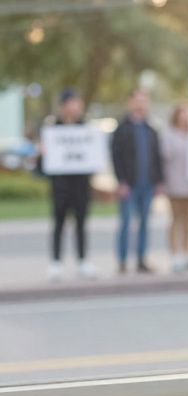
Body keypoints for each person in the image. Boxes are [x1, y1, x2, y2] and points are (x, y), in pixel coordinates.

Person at [37, 88, 97, 281]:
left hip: (80, 185)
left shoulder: (86, 127)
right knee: (58, 224)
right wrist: (42, 153)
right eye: (72, 103)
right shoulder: (52, 128)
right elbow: (41, 167)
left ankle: (82, 261)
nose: (75, 107)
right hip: (60, 186)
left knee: (81, 224)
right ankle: (55, 263)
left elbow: (94, 158)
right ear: (64, 106)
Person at [110, 88, 164, 274]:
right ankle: (123, 261)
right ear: (131, 102)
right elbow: (115, 157)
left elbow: (157, 157)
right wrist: (121, 181)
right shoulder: (122, 128)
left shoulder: (151, 129)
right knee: (126, 222)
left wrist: (159, 181)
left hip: (147, 184)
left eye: (144, 100)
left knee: (145, 223)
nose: (141, 104)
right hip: (129, 185)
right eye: (138, 100)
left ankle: (141, 259)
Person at [160, 102, 188, 273]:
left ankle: (187, 254)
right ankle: (175, 256)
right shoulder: (169, 134)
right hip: (174, 184)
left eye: (187, 113)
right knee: (175, 220)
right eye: (182, 113)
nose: (185, 116)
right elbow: (165, 157)